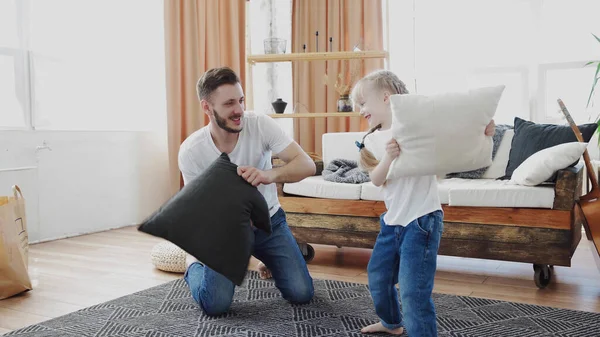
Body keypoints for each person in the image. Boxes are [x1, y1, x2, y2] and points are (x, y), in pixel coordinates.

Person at [351, 70, 495, 336]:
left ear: (385, 98)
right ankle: (391, 323)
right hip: (392, 222)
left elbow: (455, 136)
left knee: (413, 290)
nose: (360, 109)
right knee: (378, 278)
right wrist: (388, 157)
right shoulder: (372, 139)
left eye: (363, 102)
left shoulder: (420, 129)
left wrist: (483, 132)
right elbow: (376, 179)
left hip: (422, 221)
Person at [178, 66, 315, 316]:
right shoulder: (192, 151)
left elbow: (306, 164)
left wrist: (268, 175)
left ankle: (265, 257)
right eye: (229, 103)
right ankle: (193, 261)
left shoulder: (260, 125)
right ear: (207, 107)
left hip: (269, 222)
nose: (239, 110)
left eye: (241, 100)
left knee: (301, 293)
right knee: (215, 305)